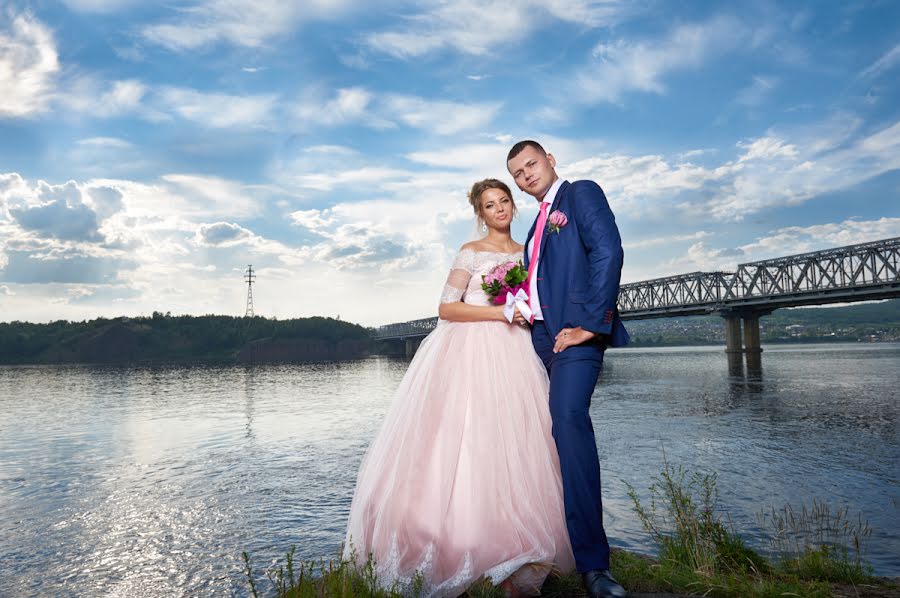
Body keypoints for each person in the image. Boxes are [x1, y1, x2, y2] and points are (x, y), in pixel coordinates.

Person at [343, 179, 574, 597]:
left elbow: (535, 298)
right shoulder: (471, 252)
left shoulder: (527, 250)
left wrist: (523, 312)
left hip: (515, 352)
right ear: (480, 213)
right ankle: (460, 544)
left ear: (512, 207)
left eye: (505, 201)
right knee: (467, 440)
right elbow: (446, 307)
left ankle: (514, 543)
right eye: (490, 205)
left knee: (516, 444)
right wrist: (501, 311)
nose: (500, 209)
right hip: (471, 348)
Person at [507, 140, 629, 598]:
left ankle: (595, 566)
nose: (526, 176)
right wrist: (521, 307)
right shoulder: (534, 229)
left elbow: (609, 252)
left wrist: (589, 324)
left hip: (575, 335)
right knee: (538, 435)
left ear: (550, 160)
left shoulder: (580, 195)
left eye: (531, 165)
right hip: (539, 338)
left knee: (569, 422)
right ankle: (541, 542)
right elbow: (541, 284)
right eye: (518, 173)